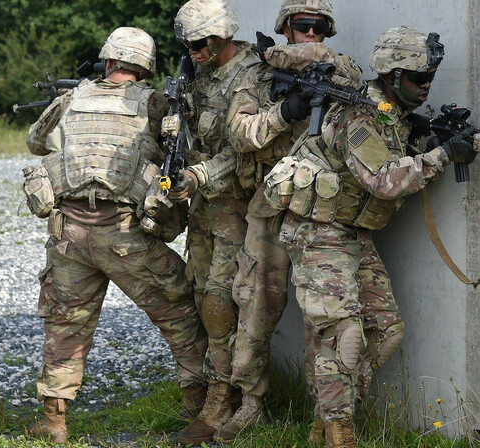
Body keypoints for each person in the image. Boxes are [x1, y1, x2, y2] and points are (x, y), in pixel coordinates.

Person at [264, 26, 476, 447]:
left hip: (349, 234)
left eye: (430, 76)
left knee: (385, 331)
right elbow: (383, 181)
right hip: (318, 233)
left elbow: (397, 151)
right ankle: (341, 434)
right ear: (393, 76)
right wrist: (442, 155)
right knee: (340, 339)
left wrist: (439, 141)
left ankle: (326, 421)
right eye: (419, 78)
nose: (427, 85)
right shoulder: (360, 115)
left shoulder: (389, 114)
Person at [23, 27, 208, 443]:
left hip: (68, 232)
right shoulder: (156, 103)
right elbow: (181, 153)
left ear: (108, 61)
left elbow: (36, 142)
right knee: (178, 310)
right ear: (144, 68)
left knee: (65, 323)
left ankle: (54, 420)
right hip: (126, 234)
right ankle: (196, 401)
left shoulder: (71, 99)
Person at [214, 0, 354, 444]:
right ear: (285, 28)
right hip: (270, 208)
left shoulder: (342, 73)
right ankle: (250, 404)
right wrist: (285, 111)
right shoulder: (259, 74)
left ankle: (325, 415)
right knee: (253, 309)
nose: (311, 37)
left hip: (321, 215)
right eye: (302, 27)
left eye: (319, 29)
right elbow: (239, 136)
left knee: (325, 319)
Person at [168, 0, 263, 444]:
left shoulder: (250, 76)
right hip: (205, 204)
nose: (194, 52)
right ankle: (218, 386)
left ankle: (226, 399)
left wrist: (200, 174)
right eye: (189, 46)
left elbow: (245, 147)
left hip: (235, 204)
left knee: (222, 300)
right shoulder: (202, 74)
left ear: (221, 35)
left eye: (200, 44)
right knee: (201, 291)